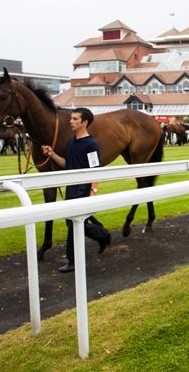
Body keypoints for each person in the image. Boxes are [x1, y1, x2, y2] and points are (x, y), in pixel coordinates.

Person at [42, 107, 111, 273]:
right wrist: (51, 154)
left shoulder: (91, 144)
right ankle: (102, 235)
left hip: (83, 190)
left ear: (84, 123)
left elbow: (95, 169)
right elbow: (67, 165)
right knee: (73, 223)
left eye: (74, 119)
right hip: (71, 189)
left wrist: (93, 190)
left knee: (74, 224)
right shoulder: (72, 143)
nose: (71, 122)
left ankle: (72, 260)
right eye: (71, 118)